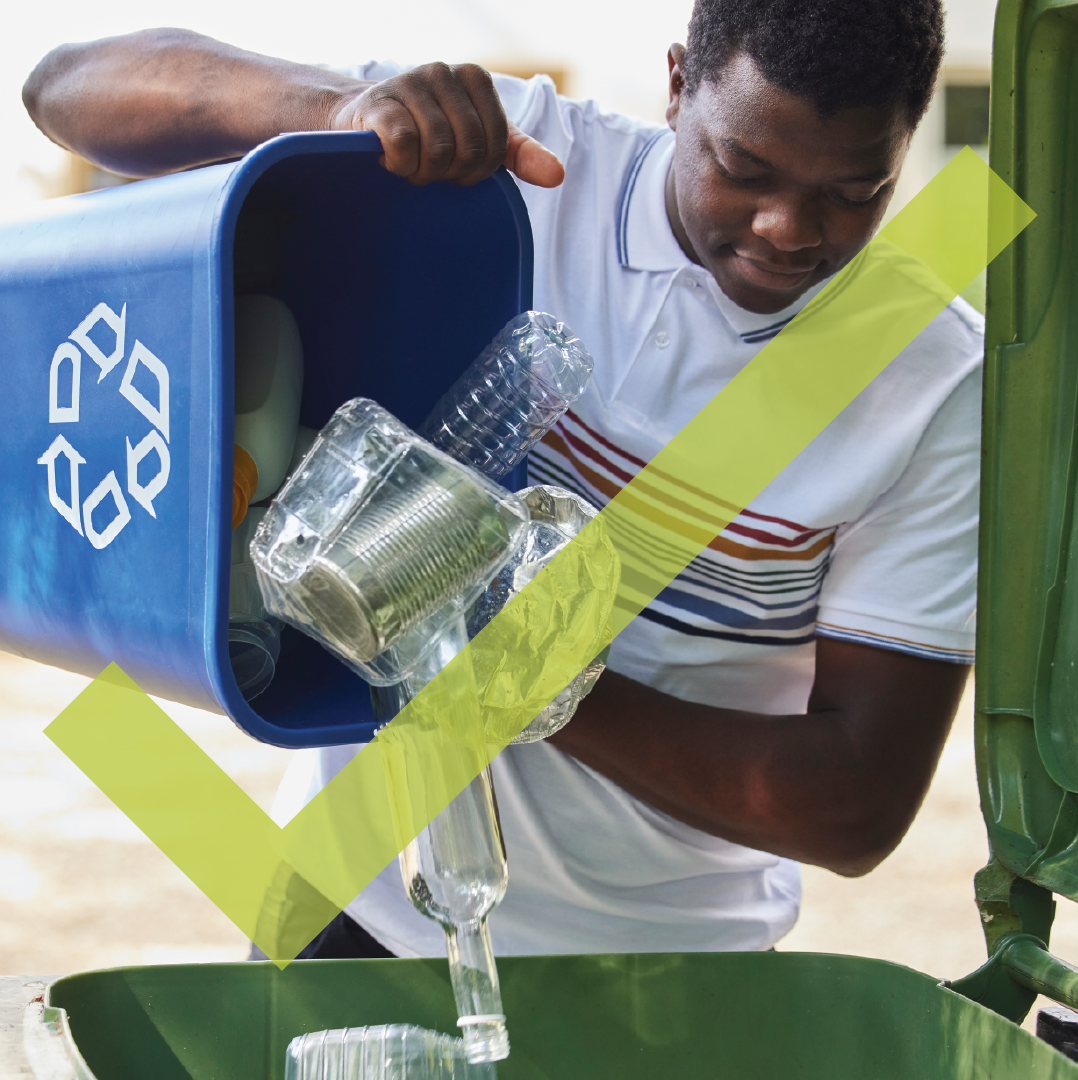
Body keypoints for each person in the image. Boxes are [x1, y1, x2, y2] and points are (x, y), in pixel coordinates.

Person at [23, 0, 979, 959]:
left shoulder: (932, 380)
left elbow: (855, 806)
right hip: (358, 904)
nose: (786, 228)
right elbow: (66, 89)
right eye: (745, 170)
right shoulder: (512, 162)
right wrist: (340, 109)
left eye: (855, 191)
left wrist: (524, 673)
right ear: (681, 84)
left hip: (677, 968)